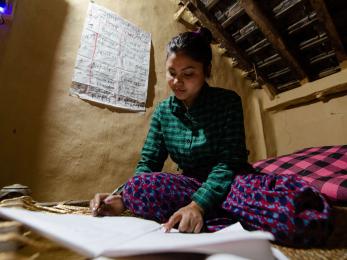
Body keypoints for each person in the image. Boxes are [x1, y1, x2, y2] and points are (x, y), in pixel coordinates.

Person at [90, 28, 331, 246]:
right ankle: (227, 217)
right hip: (190, 184)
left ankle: (204, 216)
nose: (177, 82)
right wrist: (121, 197)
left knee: (298, 220)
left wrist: (198, 205)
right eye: (171, 73)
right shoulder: (163, 112)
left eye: (188, 73)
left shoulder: (228, 102)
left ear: (206, 71)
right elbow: (149, 163)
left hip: (231, 182)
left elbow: (229, 162)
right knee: (138, 187)